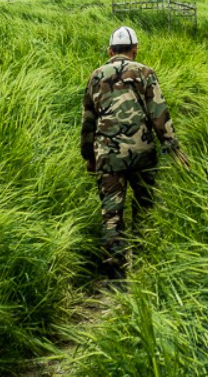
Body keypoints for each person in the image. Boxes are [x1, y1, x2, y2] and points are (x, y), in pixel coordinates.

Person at [81, 25, 189, 277]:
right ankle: (145, 264)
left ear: (110, 51)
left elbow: (88, 120)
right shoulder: (145, 73)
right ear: (135, 50)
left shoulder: (95, 76)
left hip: (107, 155)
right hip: (142, 151)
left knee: (111, 211)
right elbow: (159, 113)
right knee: (145, 205)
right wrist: (173, 147)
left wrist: (89, 156)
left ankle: (114, 274)